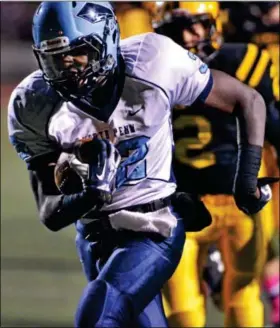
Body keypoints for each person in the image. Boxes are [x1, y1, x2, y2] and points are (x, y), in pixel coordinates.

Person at [8, 2, 273, 327]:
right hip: (95, 236)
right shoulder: (33, 102)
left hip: (153, 225)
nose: (68, 69)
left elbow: (248, 100)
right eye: (54, 59)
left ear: (105, 38)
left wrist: (246, 180)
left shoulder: (153, 61)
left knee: (99, 314)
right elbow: (50, 212)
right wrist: (91, 195)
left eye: (77, 53)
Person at [152, 2, 280, 327]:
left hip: (238, 200)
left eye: (196, 25)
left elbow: (274, 124)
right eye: (176, 28)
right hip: (181, 205)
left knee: (241, 294)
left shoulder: (242, 61)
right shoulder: (149, 70)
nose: (188, 37)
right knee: (183, 307)